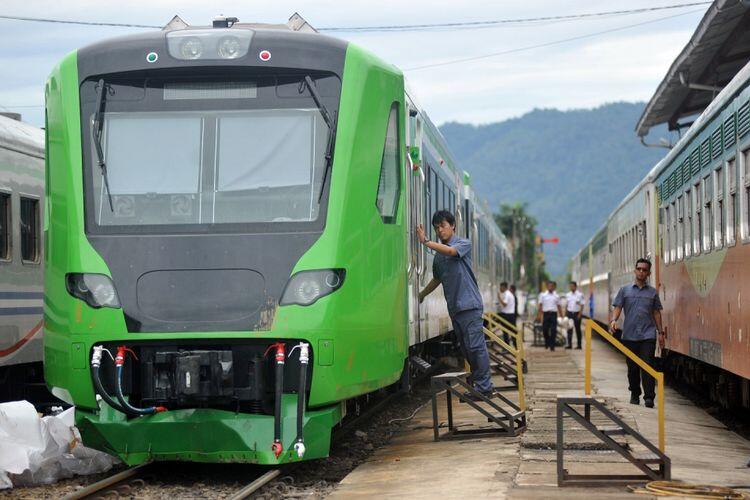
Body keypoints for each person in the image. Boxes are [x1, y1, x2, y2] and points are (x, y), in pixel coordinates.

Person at [417, 210, 494, 399]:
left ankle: (485, 387)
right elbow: (437, 279)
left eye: (443, 226)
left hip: (469, 306)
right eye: (436, 228)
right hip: (456, 309)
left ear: (452, 226)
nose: (440, 230)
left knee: (476, 347)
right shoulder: (438, 257)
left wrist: (426, 242)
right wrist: (421, 294)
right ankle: (479, 385)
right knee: (467, 349)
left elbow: (451, 251)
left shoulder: (463, 243)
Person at [609, 258, 665, 408]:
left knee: (648, 365)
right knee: (632, 368)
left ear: (649, 273)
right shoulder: (625, 290)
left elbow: (656, 313)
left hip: (647, 335)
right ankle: (635, 393)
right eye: (639, 269)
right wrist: (614, 320)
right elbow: (618, 306)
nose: (641, 272)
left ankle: (649, 397)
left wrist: (660, 333)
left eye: (644, 270)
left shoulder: (652, 293)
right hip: (629, 335)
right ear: (635, 271)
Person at [536, 281, 563, 351]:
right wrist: (539, 315)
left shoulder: (556, 296)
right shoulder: (543, 295)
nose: (550, 287)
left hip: (553, 314)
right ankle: (547, 341)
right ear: (547, 287)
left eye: (552, 286)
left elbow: (559, 306)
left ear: (554, 287)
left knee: (553, 330)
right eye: (549, 286)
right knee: (545, 330)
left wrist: (561, 316)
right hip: (546, 314)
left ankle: (552, 345)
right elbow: (540, 305)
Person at [565, 281, 585, 349]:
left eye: (572, 286)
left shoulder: (580, 295)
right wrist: (566, 314)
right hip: (569, 313)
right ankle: (569, 344)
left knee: (578, 329)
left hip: (577, 313)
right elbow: (567, 305)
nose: (571, 287)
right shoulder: (568, 295)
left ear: (575, 287)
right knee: (569, 329)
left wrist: (580, 314)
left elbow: (582, 305)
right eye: (570, 286)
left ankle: (579, 345)